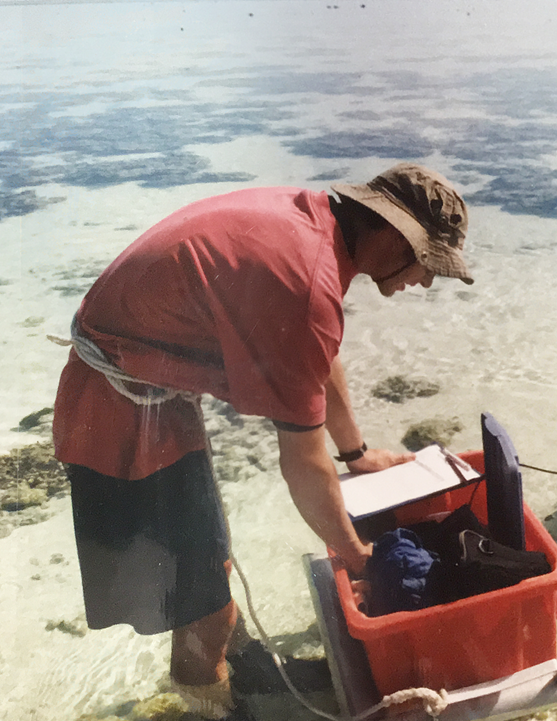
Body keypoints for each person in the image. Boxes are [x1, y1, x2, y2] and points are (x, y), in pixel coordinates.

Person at [51, 163, 472, 720]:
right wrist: (357, 556)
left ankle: (247, 669)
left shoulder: (313, 226)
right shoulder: (304, 282)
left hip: (147, 395)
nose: (424, 280)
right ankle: (205, 704)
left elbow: (319, 355)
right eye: (427, 264)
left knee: (210, 568)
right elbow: (301, 461)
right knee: (200, 609)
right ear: (394, 236)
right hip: (116, 415)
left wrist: (356, 454)